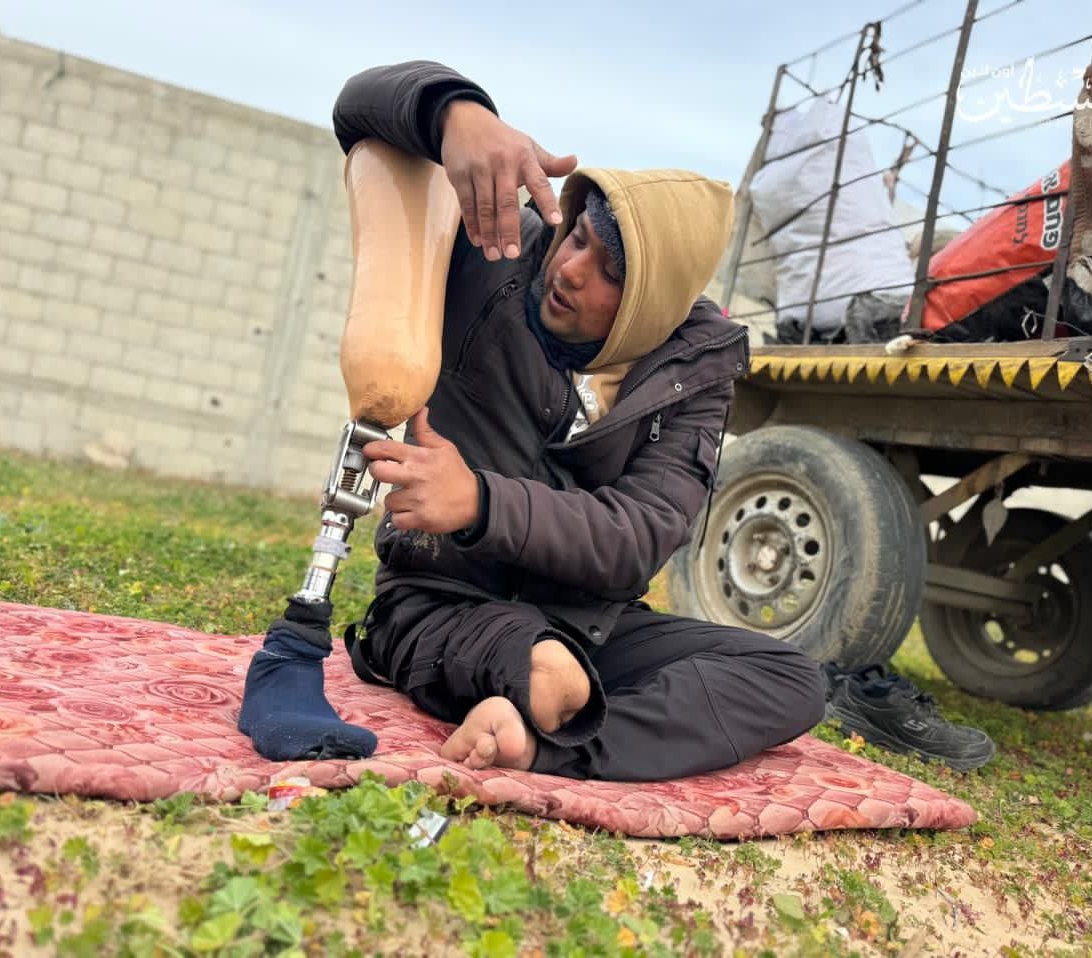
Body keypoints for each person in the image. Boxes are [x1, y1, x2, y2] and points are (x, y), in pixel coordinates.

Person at [321, 60, 826, 781]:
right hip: (443, 603)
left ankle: (548, 742)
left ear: (652, 304)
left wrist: (481, 502)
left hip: (593, 625)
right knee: (549, 671)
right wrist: (455, 112)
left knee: (789, 678)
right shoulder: (493, 252)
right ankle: (553, 700)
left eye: (610, 272)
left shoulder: (696, 370)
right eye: (579, 236)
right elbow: (358, 111)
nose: (569, 270)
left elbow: (637, 539)